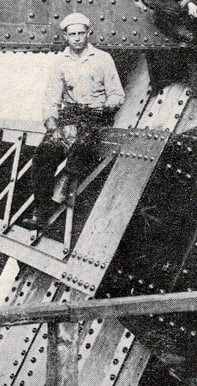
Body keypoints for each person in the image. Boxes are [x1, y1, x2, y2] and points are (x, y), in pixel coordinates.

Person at [22, 13, 125, 232]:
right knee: (43, 155)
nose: (77, 38)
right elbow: (51, 98)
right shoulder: (60, 63)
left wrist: (107, 106)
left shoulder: (103, 59)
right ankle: (40, 213)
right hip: (69, 117)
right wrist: (51, 123)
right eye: (72, 34)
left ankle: (65, 193)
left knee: (80, 147)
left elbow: (117, 94)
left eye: (81, 33)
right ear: (65, 36)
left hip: (96, 117)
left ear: (89, 34)